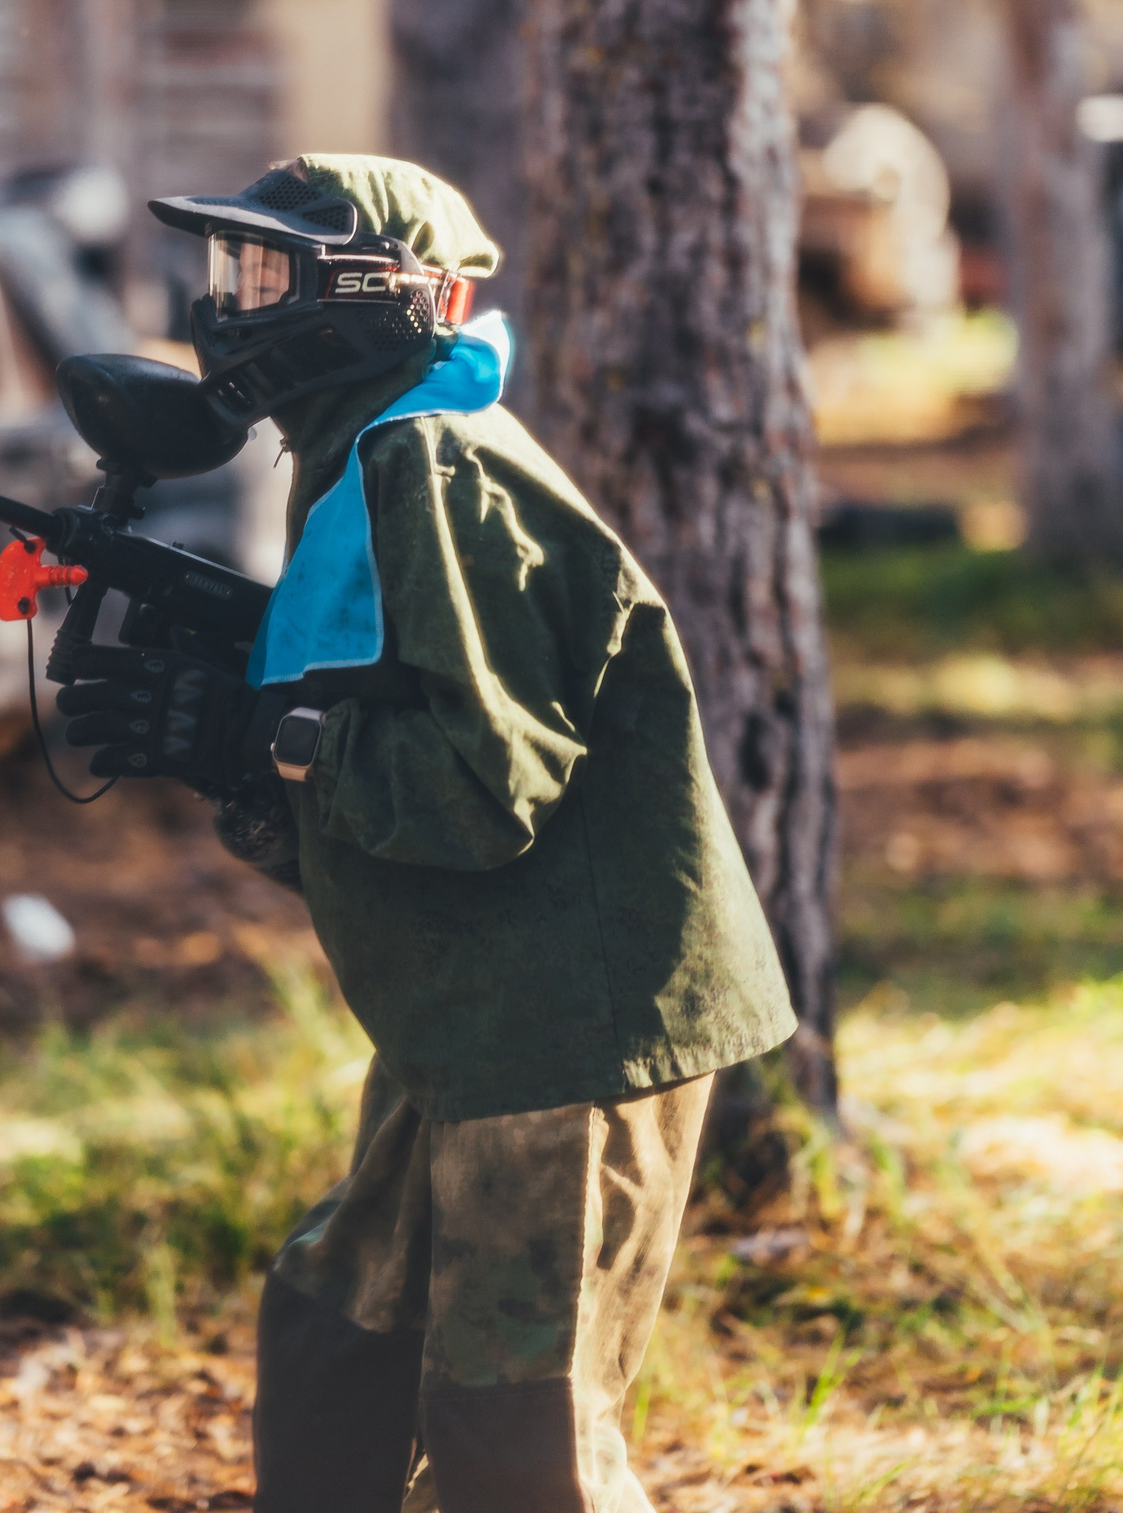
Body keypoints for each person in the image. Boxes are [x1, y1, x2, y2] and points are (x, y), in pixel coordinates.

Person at [54, 156, 794, 1513]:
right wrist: (242, 739)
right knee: (339, 1340)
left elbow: (477, 788)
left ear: (408, 298)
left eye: (270, 274)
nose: (236, 306)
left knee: (522, 1433)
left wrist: (258, 735)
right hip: (463, 1006)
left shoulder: (440, 469)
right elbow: (362, 794)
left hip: (571, 1019)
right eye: (231, 271)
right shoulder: (357, 459)